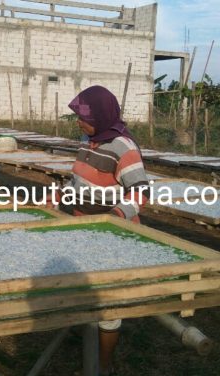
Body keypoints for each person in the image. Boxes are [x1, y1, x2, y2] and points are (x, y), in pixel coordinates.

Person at [59, 85, 150, 375]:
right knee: (85, 288)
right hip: (83, 228)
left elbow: (140, 192)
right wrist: (58, 196)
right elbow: (78, 181)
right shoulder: (87, 140)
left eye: (83, 116)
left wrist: (116, 215)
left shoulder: (123, 147)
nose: (78, 122)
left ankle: (104, 365)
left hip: (111, 236)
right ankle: (84, 340)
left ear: (100, 116)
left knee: (108, 304)